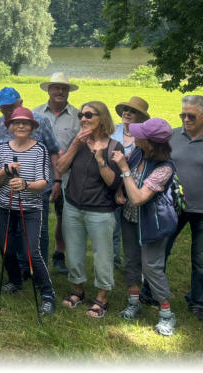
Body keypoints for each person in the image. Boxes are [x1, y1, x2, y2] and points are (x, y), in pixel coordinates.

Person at [142, 95, 203, 323]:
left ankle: (197, 303)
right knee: (159, 253)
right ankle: (150, 293)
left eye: (191, 116)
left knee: (202, 261)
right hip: (171, 207)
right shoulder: (172, 137)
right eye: (182, 115)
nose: (186, 119)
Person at [111, 118, 178, 336]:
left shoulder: (164, 168)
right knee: (131, 261)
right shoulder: (138, 153)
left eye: (140, 135)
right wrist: (120, 191)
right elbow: (129, 181)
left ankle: (166, 314)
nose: (134, 137)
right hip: (129, 218)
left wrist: (123, 168)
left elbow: (139, 198)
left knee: (151, 267)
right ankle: (134, 303)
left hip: (153, 223)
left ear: (151, 143)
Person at [56, 101, 123, 318]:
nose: (83, 119)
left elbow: (113, 182)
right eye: (80, 115)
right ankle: (78, 291)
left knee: (102, 255)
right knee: (74, 251)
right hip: (73, 206)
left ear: (102, 118)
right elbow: (61, 167)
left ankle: (102, 298)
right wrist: (76, 145)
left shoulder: (114, 147)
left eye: (88, 115)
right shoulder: (78, 142)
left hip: (100, 210)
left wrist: (100, 159)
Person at [0, 107, 56, 316]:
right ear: (10, 127)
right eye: (17, 123)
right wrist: (6, 170)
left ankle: (48, 294)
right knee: (6, 248)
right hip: (4, 207)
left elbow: (43, 182)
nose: (21, 126)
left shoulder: (39, 149)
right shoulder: (2, 149)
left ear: (32, 127)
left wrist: (25, 184)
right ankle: (15, 280)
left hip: (30, 209)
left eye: (25, 123)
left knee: (32, 253)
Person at [0, 87, 60, 275]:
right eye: (3, 108)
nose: (8, 111)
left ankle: (39, 270)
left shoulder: (40, 121)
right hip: (8, 190)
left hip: (37, 187)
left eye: (11, 107)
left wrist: (57, 180)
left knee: (38, 231)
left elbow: (54, 151)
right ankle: (20, 269)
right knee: (12, 232)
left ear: (20, 103)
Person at [33, 73, 81, 274]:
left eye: (64, 88)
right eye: (56, 88)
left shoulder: (78, 117)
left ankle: (59, 254)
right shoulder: (35, 114)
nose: (60, 91)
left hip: (68, 176)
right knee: (36, 217)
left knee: (65, 217)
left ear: (68, 91)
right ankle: (35, 254)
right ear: (49, 90)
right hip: (37, 174)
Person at [109, 96, 150, 269]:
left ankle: (135, 265)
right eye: (126, 109)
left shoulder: (144, 136)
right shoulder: (113, 130)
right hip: (111, 184)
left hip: (134, 187)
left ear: (141, 117)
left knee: (131, 229)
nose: (127, 113)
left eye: (133, 111)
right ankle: (113, 261)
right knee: (112, 227)